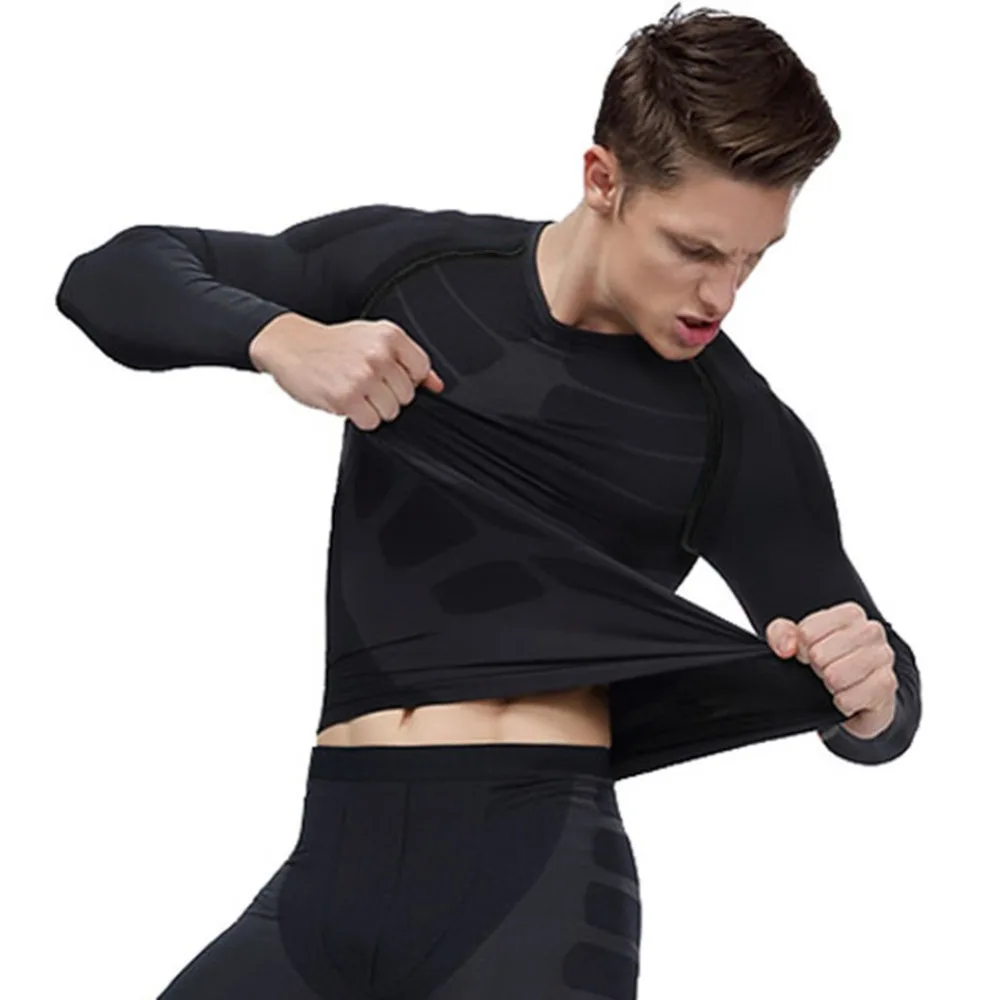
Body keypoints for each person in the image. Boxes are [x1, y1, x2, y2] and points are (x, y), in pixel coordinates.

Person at [53, 6, 921, 998]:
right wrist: (284, 339)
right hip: (327, 861)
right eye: (694, 248)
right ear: (602, 179)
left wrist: (871, 695)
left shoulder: (734, 423)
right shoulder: (419, 273)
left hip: (533, 893)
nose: (721, 296)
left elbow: (889, 700)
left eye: (752, 258)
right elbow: (110, 276)